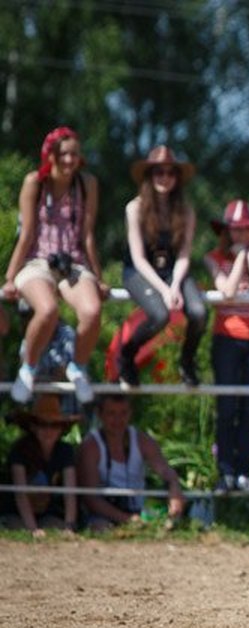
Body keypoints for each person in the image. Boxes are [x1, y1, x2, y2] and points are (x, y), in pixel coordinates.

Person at [3, 127, 105, 404]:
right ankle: (28, 367)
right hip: (37, 260)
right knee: (47, 310)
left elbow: (87, 235)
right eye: (63, 154)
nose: (69, 161)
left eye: (74, 154)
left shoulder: (87, 184)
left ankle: (77, 366)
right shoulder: (35, 182)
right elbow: (26, 234)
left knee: (92, 311)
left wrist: (98, 276)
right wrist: (10, 278)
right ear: (51, 155)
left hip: (71, 262)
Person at [118, 145, 207, 388]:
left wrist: (175, 284)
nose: (164, 178)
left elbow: (185, 254)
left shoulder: (186, 211)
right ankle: (127, 355)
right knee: (160, 315)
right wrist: (165, 290)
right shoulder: (134, 208)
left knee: (199, 313)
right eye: (158, 172)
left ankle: (187, 361)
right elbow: (138, 258)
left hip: (174, 271)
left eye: (170, 173)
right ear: (149, 176)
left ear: (177, 178)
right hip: (140, 271)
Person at [203, 199, 249, 497]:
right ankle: (226, 473)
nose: (240, 236)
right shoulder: (214, 257)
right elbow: (228, 291)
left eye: (246, 231)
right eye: (235, 231)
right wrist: (239, 262)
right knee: (227, 406)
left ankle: (244, 473)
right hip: (226, 340)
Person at [77, 394, 186, 530]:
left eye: (123, 413)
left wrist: (174, 487)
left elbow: (164, 470)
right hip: (101, 515)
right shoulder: (91, 446)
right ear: (100, 414)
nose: (118, 420)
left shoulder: (142, 441)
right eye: (111, 413)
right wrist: (128, 520)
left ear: (130, 413)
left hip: (138, 512)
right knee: (101, 528)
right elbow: (91, 499)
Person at [3, 395, 81, 537]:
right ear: (33, 426)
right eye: (43, 424)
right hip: (15, 513)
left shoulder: (65, 451)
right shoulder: (20, 450)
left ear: (61, 428)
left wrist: (70, 526)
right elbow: (21, 494)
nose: (49, 430)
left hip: (48, 514)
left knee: (58, 529)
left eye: (54, 424)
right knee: (19, 529)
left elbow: (70, 492)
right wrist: (33, 530)